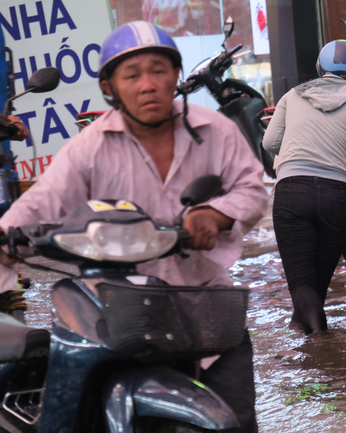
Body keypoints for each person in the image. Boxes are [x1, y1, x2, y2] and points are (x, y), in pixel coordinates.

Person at [0, 21, 267, 432]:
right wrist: (5, 238)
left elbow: (252, 190)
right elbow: (41, 203)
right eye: (133, 74)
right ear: (110, 87)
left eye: (159, 70)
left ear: (175, 75)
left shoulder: (216, 131)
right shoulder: (89, 147)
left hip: (205, 312)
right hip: (120, 317)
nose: (148, 84)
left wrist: (217, 213)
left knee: (236, 422)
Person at [262, 40, 346, 336]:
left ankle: (320, 345)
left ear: (319, 68)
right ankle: (315, 346)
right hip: (337, 197)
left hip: (292, 193)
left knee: (303, 284)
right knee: (317, 284)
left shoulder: (293, 96)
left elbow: (269, 143)